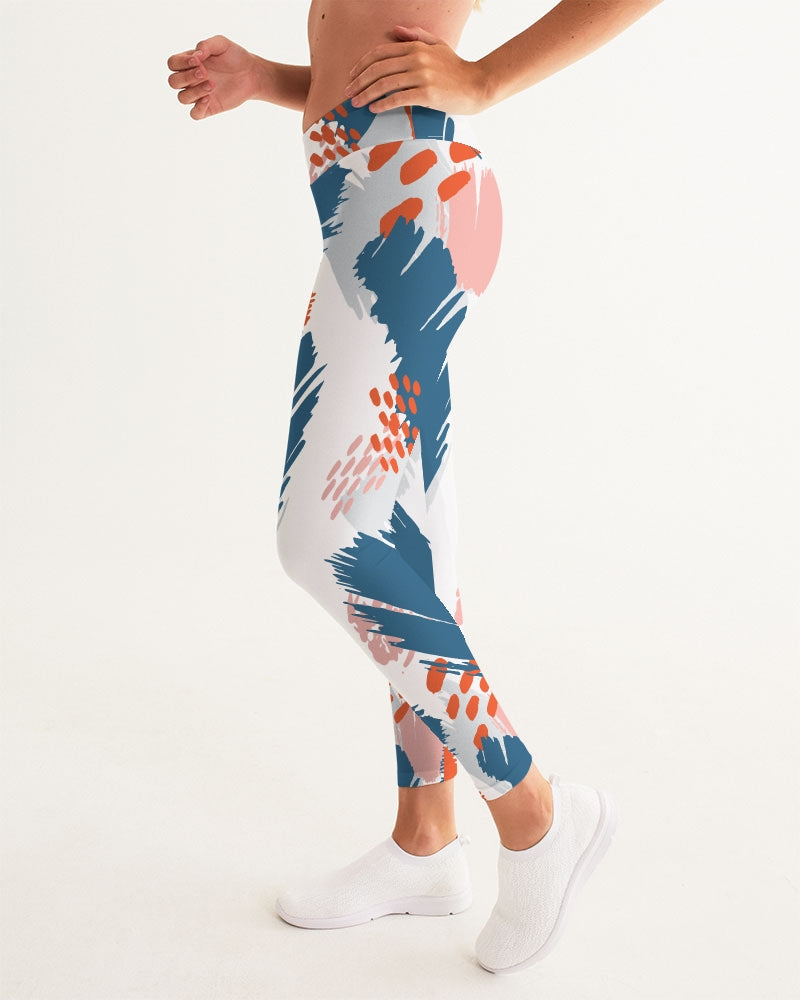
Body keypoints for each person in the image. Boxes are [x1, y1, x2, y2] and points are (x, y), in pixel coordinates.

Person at [166, 0, 663, 975]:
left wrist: (485, 79)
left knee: (320, 535)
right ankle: (425, 839)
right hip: (367, 189)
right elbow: (371, 48)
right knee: (408, 539)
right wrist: (271, 79)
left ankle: (534, 811)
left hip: (407, 199)